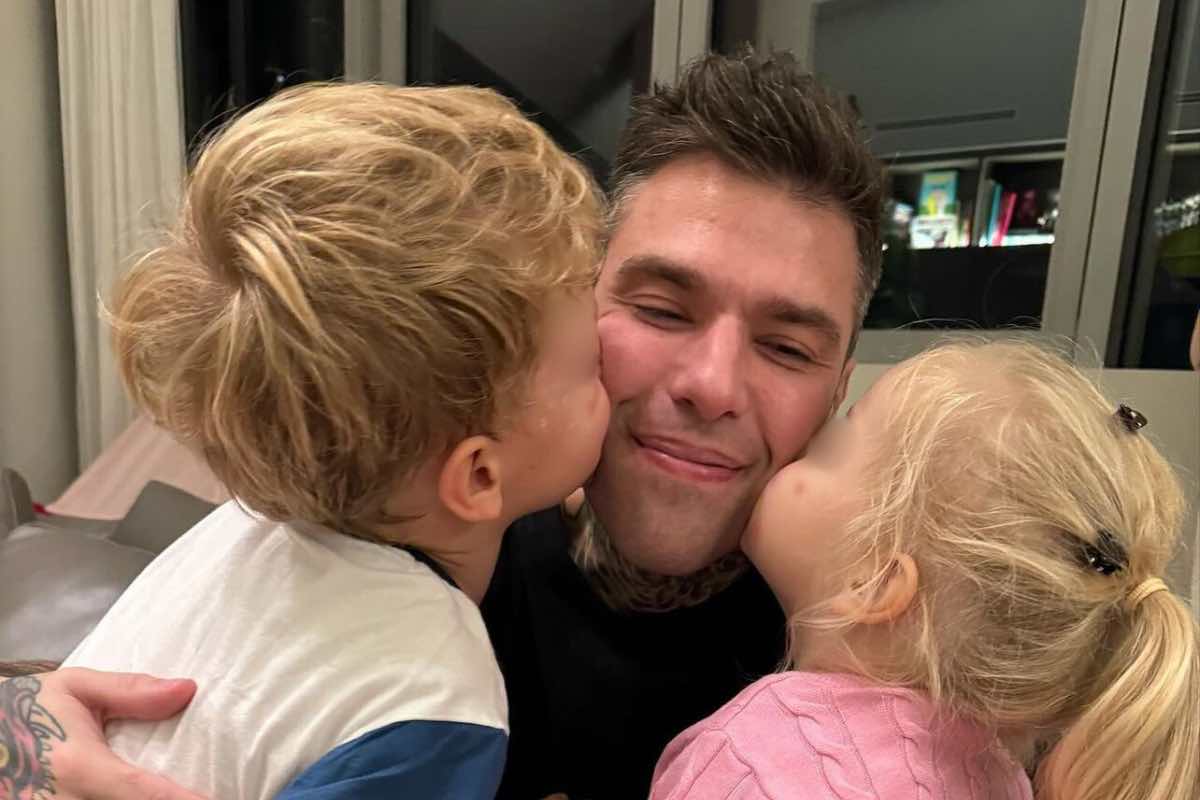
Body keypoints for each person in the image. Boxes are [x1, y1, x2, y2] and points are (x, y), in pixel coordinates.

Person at [1, 48, 885, 799]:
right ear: (581, 305)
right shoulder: (398, 500)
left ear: (839, 388)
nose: (710, 385)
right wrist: (17, 732)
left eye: (786, 348)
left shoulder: (869, 657)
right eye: (660, 309)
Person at [55, 81, 609, 800]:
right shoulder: (431, 699)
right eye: (590, 366)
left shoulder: (236, 530)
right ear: (477, 476)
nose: (615, 369)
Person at [651, 341, 1199, 800]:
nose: (807, 439)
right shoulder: (1000, 778)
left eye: (831, 449)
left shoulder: (753, 763)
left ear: (875, 583)